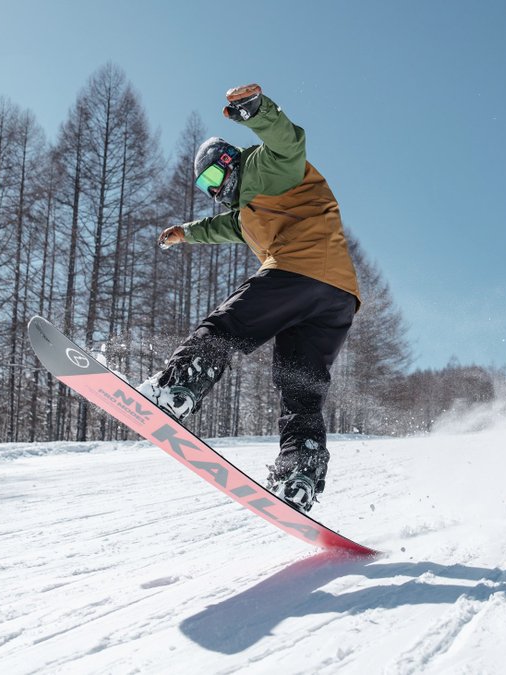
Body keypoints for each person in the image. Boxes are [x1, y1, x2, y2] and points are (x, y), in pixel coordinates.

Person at [138, 84, 361, 513]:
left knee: (226, 325)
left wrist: (256, 111)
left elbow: (288, 142)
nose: (214, 188)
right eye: (206, 185)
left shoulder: (264, 167)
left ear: (229, 161)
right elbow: (223, 227)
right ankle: (301, 472)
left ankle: (179, 385)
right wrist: (187, 231)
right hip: (338, 299)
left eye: (215, 176)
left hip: (300, 272)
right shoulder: (248, 211)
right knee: (300, 387)